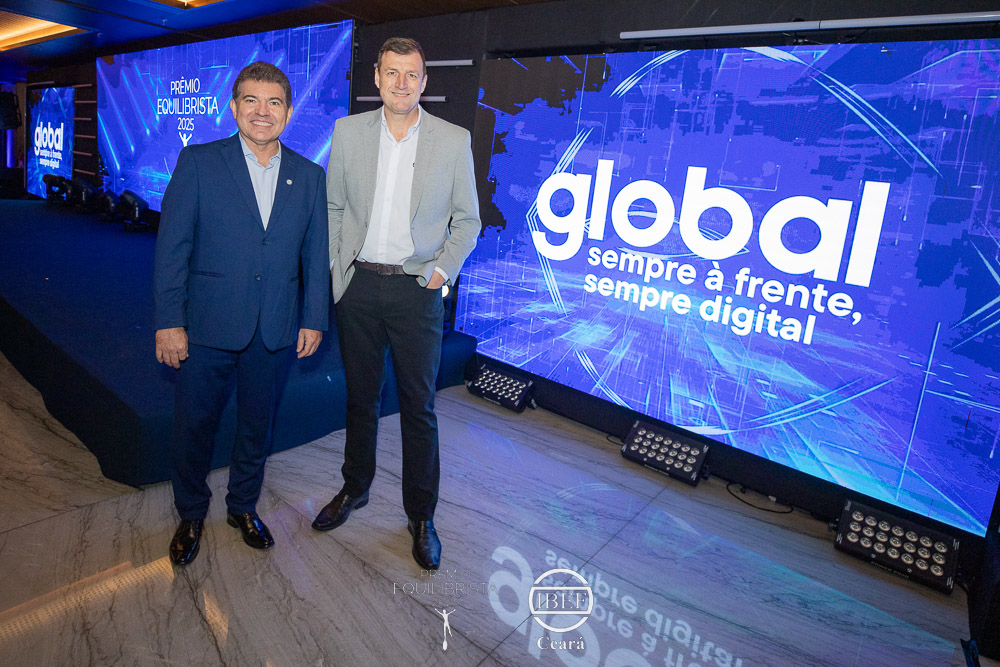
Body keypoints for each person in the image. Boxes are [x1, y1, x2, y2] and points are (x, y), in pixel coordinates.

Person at [313, 37, 480, 570]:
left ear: (424, 82)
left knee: (418, 407)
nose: (401, 83)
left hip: (416, 290)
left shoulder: (452, 140)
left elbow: (468, 220)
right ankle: (354, 487)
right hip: (358, 286)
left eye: (412, 74)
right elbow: (333, 207)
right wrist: (336, 269)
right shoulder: (348, 132)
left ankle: (421, 516)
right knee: (360, 398)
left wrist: (440, 273)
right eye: (392, 72)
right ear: (377, 79)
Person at [154, 62, 329, 566]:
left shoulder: (309, 175)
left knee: (257, 424)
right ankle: (191, 512)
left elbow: (316, 254)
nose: (262, 112)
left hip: (274, 326)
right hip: (206, 325)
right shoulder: (198, 162)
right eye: (251, 100)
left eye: (274, 103)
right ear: (234, 107)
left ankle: (243, 507)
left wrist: (314, 317)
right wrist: (169, 322)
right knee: (195, 424)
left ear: (288, 113)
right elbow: (172, 250)